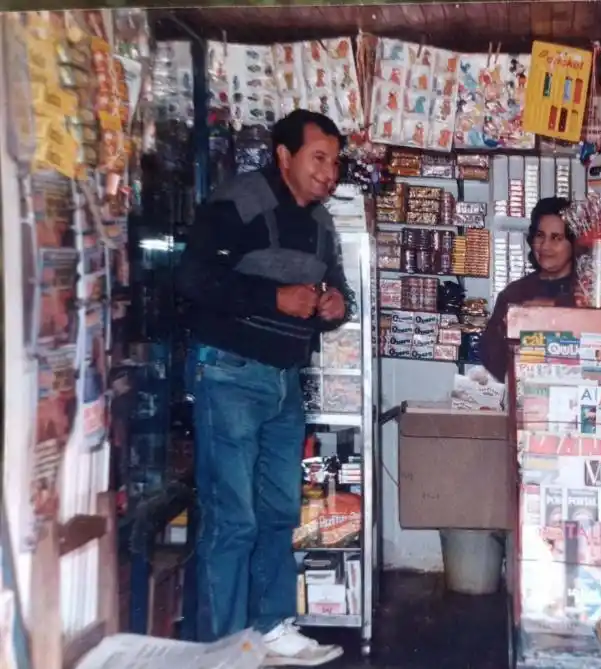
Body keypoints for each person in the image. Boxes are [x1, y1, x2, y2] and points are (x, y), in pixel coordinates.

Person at [177, 110, 352, 666]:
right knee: (234, 518)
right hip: (230, 374)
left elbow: (338, 291)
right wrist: (272, 298)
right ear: (283, 155)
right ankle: (225, 647)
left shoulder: (321, 223)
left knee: (278, 512)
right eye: (318, 158)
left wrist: (335, 305)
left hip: (284, 382)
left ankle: (272, 627)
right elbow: (193, 278)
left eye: (335, 162)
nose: (329, 173)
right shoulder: (238, 202)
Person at [480, 197, 575, 380]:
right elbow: (491, 359)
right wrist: (506, 330)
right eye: (540, 235)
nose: (545, 246)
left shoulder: (588, 291)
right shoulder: (514, 293)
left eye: (556, 238)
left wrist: (555, 309)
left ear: (574, 243)